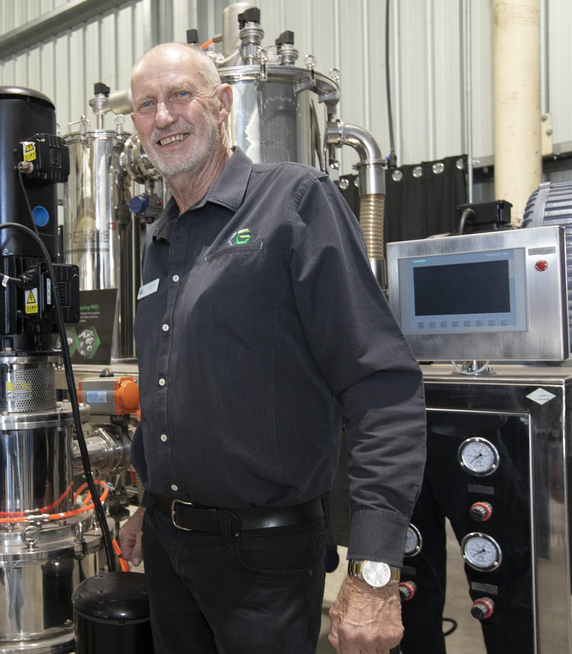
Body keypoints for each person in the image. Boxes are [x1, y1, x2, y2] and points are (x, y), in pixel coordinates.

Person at [115, 43, 427, 654]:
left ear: (223, 104)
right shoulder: (158, 240)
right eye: (146, 105)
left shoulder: (294, 200)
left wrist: (376, 568)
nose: (163, 117)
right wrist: (154, 498)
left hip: (266, 558)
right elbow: (172, 385)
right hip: (168, 548)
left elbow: (382, 385)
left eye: (181, 95)